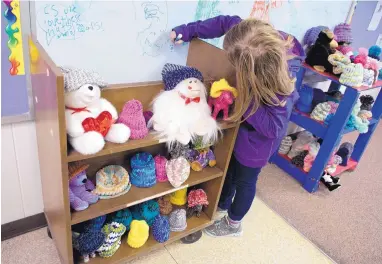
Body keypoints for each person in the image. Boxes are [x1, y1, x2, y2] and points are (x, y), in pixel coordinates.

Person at [170, 15, 301, 237]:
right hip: (241, 132)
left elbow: (273, 128)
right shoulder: (247, 34)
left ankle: (233, 223)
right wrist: (187, 30)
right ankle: (221, 204)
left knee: (245, 181)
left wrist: (244, 100)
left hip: (256, 147)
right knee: (229, 170)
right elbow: (223, 22)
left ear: (255, 74)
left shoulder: (280, 90)